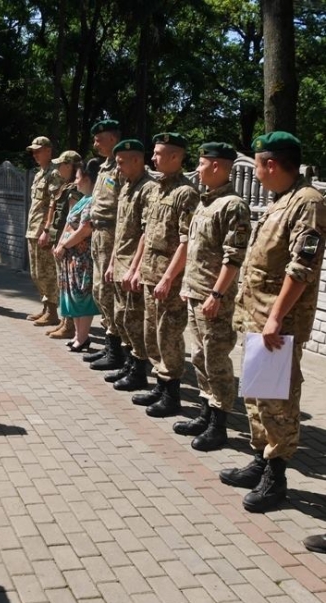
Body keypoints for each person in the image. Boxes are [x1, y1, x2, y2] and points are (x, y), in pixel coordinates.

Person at [220, 131, 326, 514]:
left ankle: (276, 477)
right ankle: (262, 459)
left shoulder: (308, 202)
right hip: (256, 317)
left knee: (278, 399)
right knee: (258, 394)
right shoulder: (282, 201)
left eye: (258, 164)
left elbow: (303, 266)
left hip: (277, 324)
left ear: (269, 164)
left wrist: (277, 317)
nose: (256, 173)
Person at [175, 143, 251, 451]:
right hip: (195, 292)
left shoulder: (233, 205)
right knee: (199, 357)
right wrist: (186, 285)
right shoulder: (206, 202)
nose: (198, 168)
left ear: (218, 166)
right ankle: (206, 413)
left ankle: (219, 425)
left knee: (217, 359)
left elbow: (234, 256)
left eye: (202, 163)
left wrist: (217, 293)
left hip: (214, 298)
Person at [131, 132, 199, 417]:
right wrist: (136, 268)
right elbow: (146, 233)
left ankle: (172, 396)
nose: (153, 158)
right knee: (152, 333)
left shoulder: (186, 193)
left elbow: (187, 241)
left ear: (175, 157)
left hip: (168, 279)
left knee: (168, 335)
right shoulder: (156, 189)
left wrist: (169, 278)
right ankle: (160, 386)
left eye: (159, 153)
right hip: (149, 273)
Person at [103, 139, 156, 391]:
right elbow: (120, 229)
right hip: (120, 262)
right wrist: (113, 261)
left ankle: (138, 370)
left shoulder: (149, 189)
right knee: (121, 318)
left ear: (137, 160)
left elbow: (146, 234)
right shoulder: (126, 187)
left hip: (133, 266)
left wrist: (135, 268)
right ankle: (127, 362)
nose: (118, 167)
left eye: (122, 162)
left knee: (134, 321)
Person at [84, 120, 124, 370]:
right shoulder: (104, 167)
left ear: (111, 139)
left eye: (99, 139)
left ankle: (117, 351)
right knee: (99, 291)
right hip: (98, 234)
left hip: (112, 234)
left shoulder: (122, 166)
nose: (95, 143)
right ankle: (109, 345)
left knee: (109, 293)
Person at [53, 159, 101, 350]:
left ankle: (82, 337)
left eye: (79, 177)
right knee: (71, 295)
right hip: (70, 256)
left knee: (81, 296)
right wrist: (60, 245)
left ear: (88, 179)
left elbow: (84, 230)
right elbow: (68, 223)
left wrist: (63, 245)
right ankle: (77, 336)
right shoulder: (82, 199)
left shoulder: (91, 202)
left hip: (82, 257)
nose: (75, 181)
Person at [25, 136, 64, 328]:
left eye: (38, 151)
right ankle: (45, 306)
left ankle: (52, 311)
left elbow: (55, 203)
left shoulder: (54, 173)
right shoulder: (39, 173)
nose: (35, 154)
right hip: (33, 229)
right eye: (33, 151)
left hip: (43, 230)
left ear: (48, 150)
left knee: (47, 272)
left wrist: (47, 230)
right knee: (36, 273)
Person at [45, 150, 83, 340]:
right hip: (61, 240)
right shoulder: (66, 186)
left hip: (67, 243)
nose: (58, 167)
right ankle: (64, 321)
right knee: (63, 284)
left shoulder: (74, 189)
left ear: (69, 165)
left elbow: (73, 218)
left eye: (61, 164)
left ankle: (69, 326)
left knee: (67, 285)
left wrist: (63, 244)